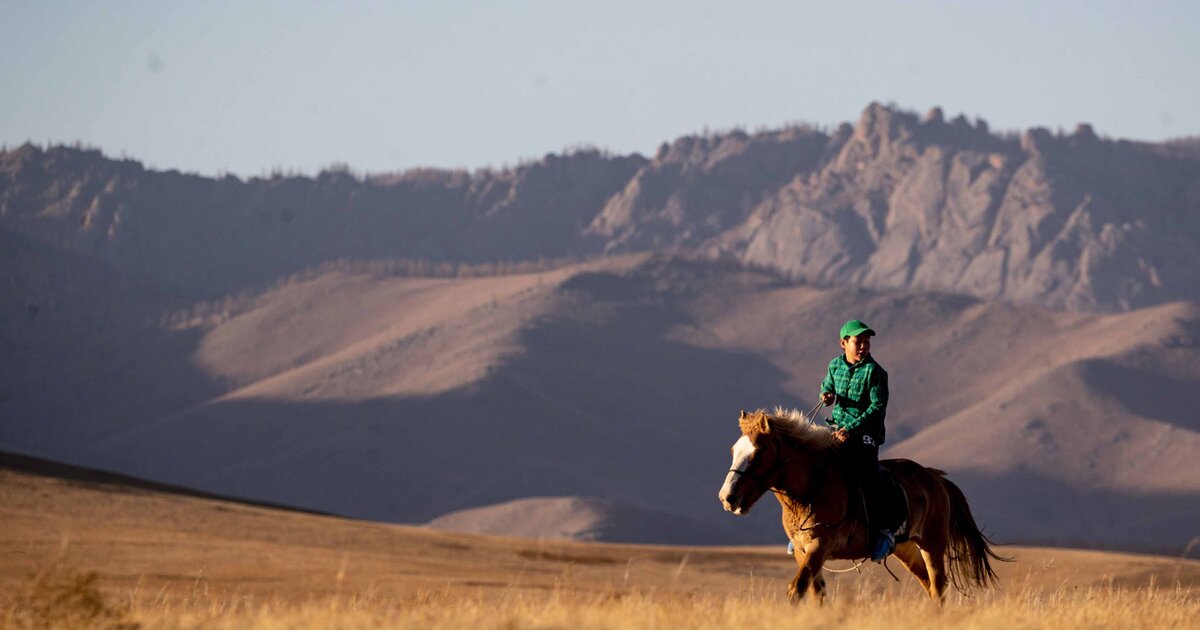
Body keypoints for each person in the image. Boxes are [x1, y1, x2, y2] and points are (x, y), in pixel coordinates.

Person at [821, 319, 894, 562]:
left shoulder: (875, 372)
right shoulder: (834, 365)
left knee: (869, 476)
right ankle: (807, 529)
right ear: (843, 343)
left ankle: (883, 533)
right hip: (835, 427)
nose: (863, 345)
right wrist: (827, 396)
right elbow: (827, 386)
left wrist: (850, 429)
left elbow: (877, 407)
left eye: (866, 341)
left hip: (865, 433)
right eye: (857, 341)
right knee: (812, 465)